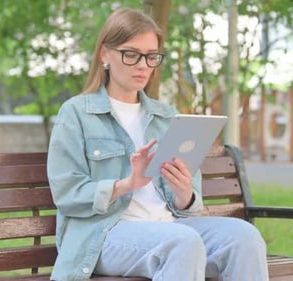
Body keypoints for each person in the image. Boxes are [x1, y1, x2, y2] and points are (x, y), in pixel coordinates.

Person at [47, 7, 268, 281]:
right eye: (131, 54)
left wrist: (184, 191)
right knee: (181, 242)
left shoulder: (167, 116)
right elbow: (67, 194)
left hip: (171, 226)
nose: (142, 65)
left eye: (151, 56)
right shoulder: (77, 113)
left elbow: (189, 206)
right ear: (105, 54)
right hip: (105, 234)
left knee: (243, 236)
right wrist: (126, 184)